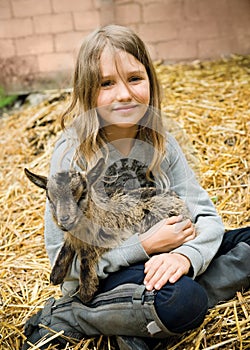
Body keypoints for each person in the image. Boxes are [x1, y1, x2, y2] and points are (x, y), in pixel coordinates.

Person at [22, 25, 250, 350]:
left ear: (150, 82)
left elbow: (206, 217)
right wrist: (144, 246)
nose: (125, 94)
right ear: (88, 91)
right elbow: (70, 271)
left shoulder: (162, 143)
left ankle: (135, 320)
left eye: (134, 78)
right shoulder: (72, 154)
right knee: (185, 301)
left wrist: (186, 257)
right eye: (107, 83)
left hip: (168, 260)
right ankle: (73, 316)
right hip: (108, 278)